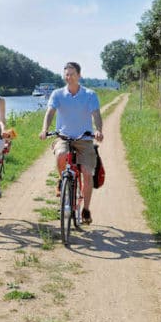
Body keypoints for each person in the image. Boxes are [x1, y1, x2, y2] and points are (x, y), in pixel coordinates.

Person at [38, 62, 103, 224]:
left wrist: (98, 130)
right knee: (60, 154)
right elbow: (50, 112)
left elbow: (96, 114)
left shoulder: (90, 94)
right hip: (64, 137)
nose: (69, 77)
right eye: (66, 74)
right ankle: (62, 179)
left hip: (84, 139)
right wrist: (45, 129)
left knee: (87, 173)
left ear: (79, 76)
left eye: (72, 74)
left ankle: (86, 210)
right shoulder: (57, 94)